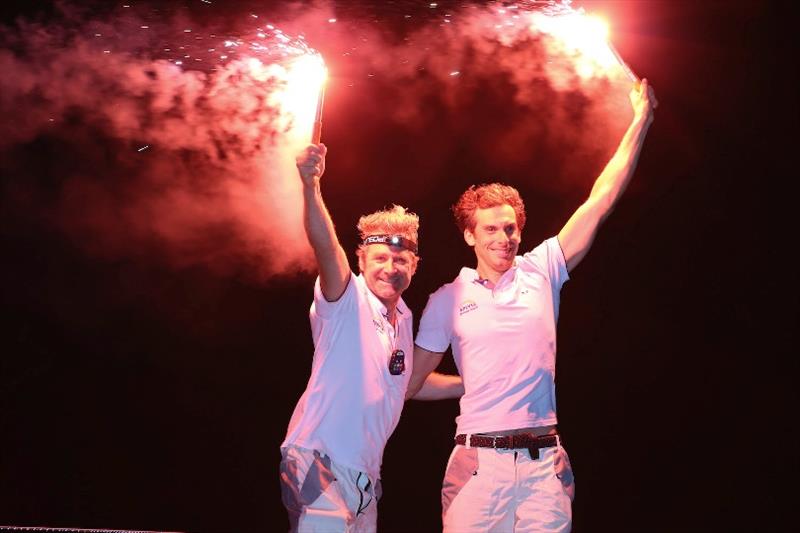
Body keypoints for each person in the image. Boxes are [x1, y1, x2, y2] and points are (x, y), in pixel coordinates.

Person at [406, 79, 658, 532]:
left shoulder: (543, 269)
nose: (503, 238)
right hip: (478, 464)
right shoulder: (447, 299)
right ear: (470, 235)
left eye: (510, 228)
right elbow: (410, 385)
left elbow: (601, 200)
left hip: (544, 465)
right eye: (490, 230)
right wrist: (469, 384)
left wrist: (641, 120)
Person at [280, 143, 461, 533]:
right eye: (379, 258)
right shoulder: (347, 299)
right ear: (361, 261)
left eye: (401, 260)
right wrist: (311, 187)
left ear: (414, 266)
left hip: (365, 478)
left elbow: (405, 383)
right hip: (320, 462)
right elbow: (325, 247)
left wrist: (470, 385)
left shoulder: (404, 318)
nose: (390, 268)